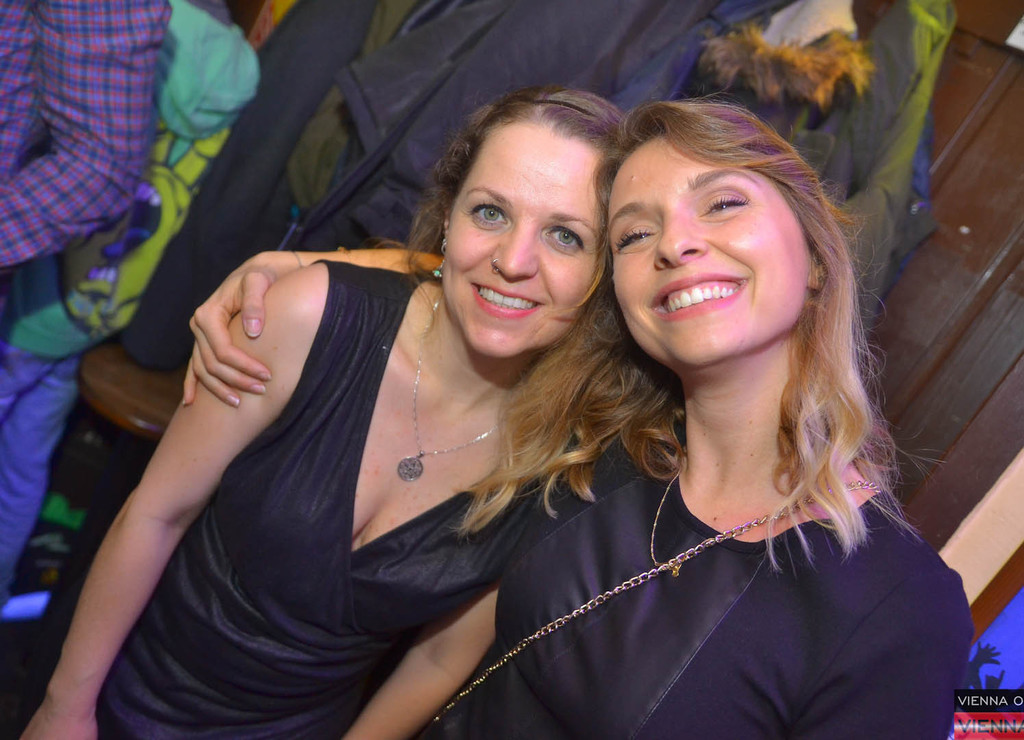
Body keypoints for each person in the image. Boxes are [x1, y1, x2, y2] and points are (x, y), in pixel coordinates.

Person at [196, 100, 972, 738]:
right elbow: (503, 269)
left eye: (723, 203)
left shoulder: (899, 608)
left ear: (817, 257)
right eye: (635, 233)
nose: (676, 243)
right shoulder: (607, 439)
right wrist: (301, 269)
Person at [23, 86, 622, 738]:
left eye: (565, 236)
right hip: (127, 696)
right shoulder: (308, 316)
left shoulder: (566, 458)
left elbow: (440, 657)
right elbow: (156, 513)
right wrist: (64, 708)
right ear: (449, 216)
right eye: (490, 212)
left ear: (604, 271)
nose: (514, 260)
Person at [0, 0, 169, 615]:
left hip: (49, 300)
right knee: (26, 458)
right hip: (102, 302)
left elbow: (98, 161)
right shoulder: (234, 59)